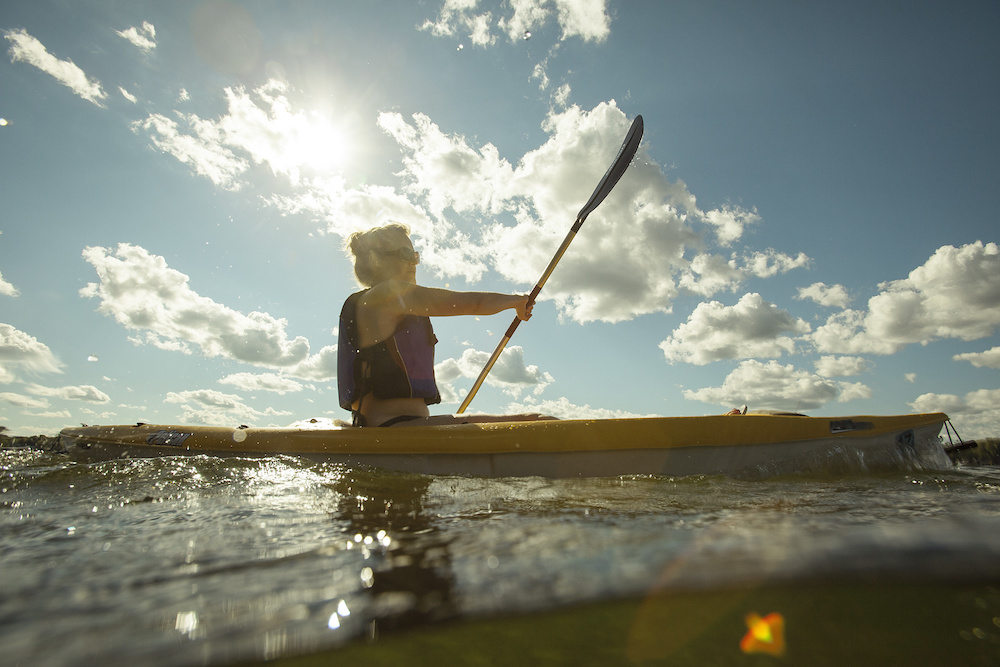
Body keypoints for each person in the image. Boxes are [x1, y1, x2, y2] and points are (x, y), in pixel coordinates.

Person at [338, 223, 548, 427]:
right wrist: (515, 302)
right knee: (539, 422)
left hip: (404, 425)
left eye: (415, 255)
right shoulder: (385, 295)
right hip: (392, 426)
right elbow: (473, 304)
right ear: (378, 261)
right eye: (405, 254)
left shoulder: (388, 302)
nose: (414, 262)